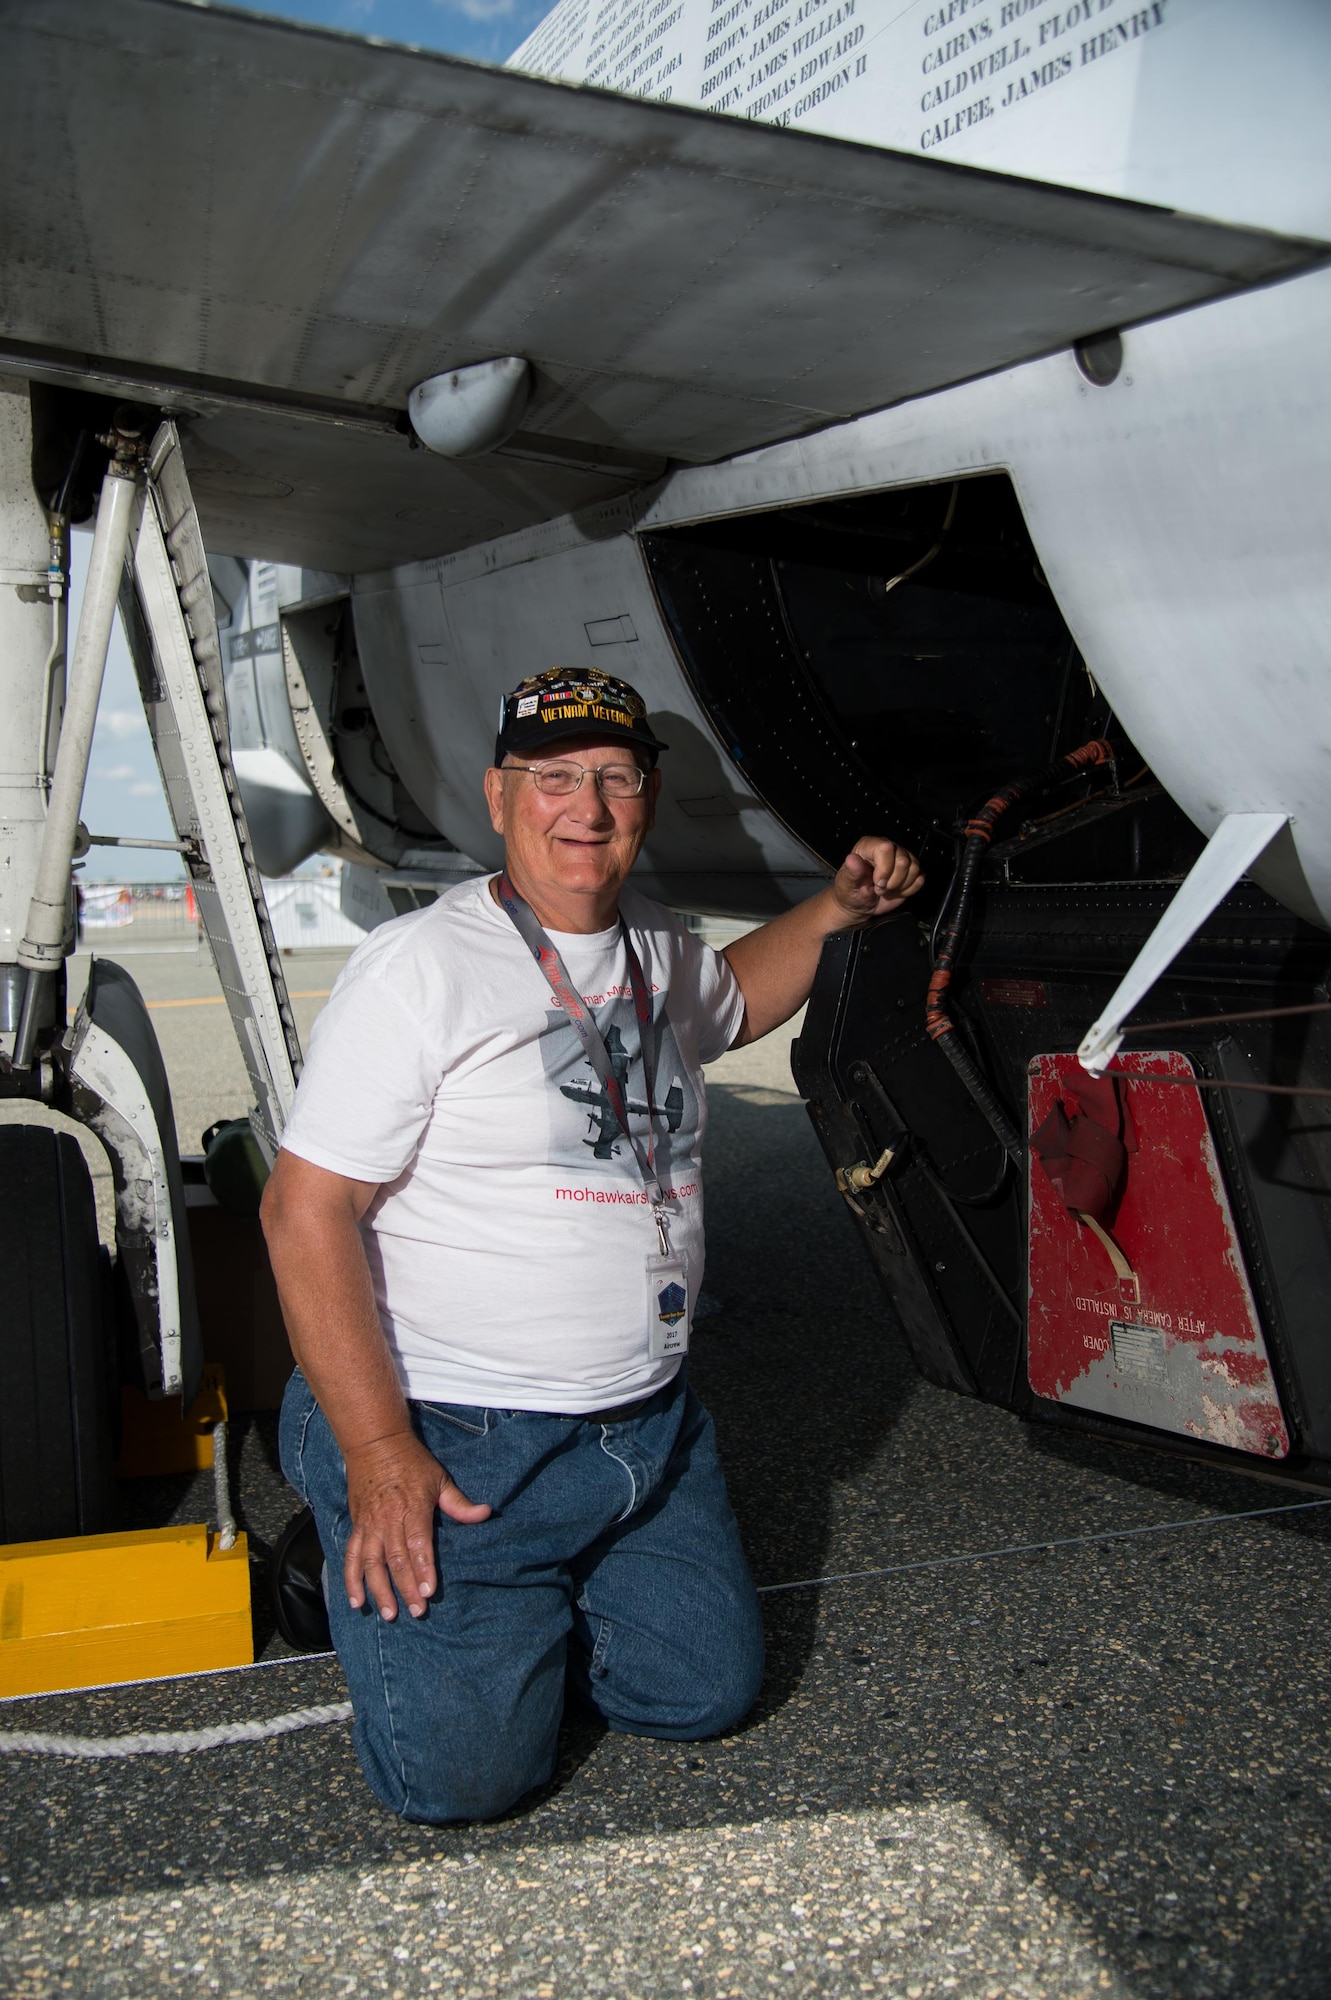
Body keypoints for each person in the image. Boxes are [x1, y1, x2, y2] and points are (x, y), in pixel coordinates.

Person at [262, 666, 923, 1823]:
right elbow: (302, 1209)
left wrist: (836, 909)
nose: (587, 804)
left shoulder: (656, 951)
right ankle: (359, 1536)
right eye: (553, 776)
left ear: (647, 797)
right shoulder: (423, 967)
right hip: (457, 1429)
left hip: (642, 1425)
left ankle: (509, 1611)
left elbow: (731, 996)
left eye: (614, 776)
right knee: (460, 1781)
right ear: (500, 794)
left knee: (699, 1692)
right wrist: (376, 1446)